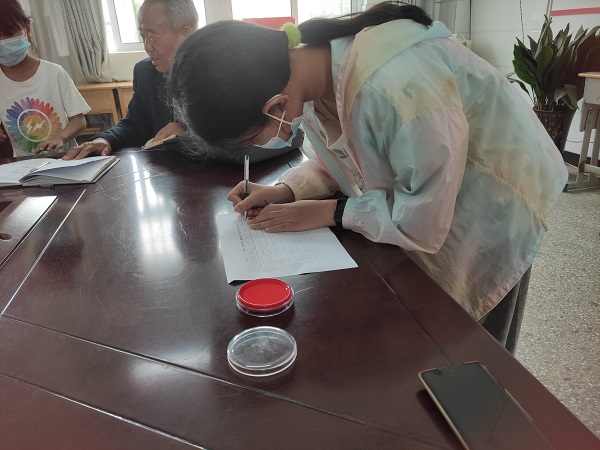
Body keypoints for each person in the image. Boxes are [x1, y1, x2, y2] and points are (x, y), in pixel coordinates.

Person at [168, 2, 568, 353]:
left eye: (252, 139)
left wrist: (329, 212)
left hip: (496, 195)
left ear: (275, 106)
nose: (264, 143)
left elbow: (422, 221)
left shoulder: (396, 87)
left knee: (477, 346)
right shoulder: (306, 74)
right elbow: (342, 159)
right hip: (438, 187)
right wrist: (286, 190)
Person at [63, 0, 302, 162]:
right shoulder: (145, 72)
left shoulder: (225, 73)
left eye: (152, 35)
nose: (147, 46)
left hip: (222, 180)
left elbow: (249, 135)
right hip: (170, 180)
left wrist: (188, 131)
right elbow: (135, 124)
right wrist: (105, 138)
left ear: (186, 33)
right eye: (142, 35)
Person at [0, 0, 89, 157]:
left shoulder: (54, 73)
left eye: (9, 33)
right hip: (23, 165)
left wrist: (60, 137)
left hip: (64, 158)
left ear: (27, 27)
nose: (3, 42)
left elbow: (79, 121)